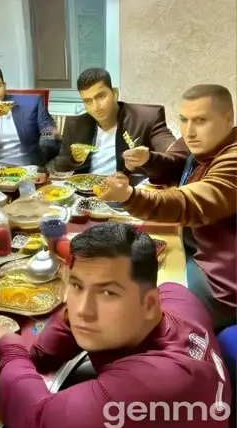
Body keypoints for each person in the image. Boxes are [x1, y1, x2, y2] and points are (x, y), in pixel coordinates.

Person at [0, 223, 231, 428]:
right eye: (76, 285)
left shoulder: (136, 394)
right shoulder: (177, 296)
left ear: (148, 304)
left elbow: (34, 420)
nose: (83, 308)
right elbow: (42, 353)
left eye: (108, 292)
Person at [100, 84, 236, 331]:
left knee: (141, 319)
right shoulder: (203, 143)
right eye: (184, 120)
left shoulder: (233, 158)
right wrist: (149, 159)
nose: (190, 131)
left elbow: (190, 201)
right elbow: (179, 163)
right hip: (188, 250)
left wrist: (130, 196)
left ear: (228, 119)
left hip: (218, 280)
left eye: (201, 120)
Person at [53, 68, 175, 175]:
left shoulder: (147, 118)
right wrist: (74, 159)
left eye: (101, 96)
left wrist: (148, 158)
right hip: (85, 194)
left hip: (125, 193)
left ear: (115, 93)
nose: (96, 107)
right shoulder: (76, 124)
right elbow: (59, 164)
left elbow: (174, 155)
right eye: (88, 101)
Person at [0, 64, 59, 166]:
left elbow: (50, 133)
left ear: (4, 86)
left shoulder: (32, 103)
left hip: (28, 171)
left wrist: (41, 160)